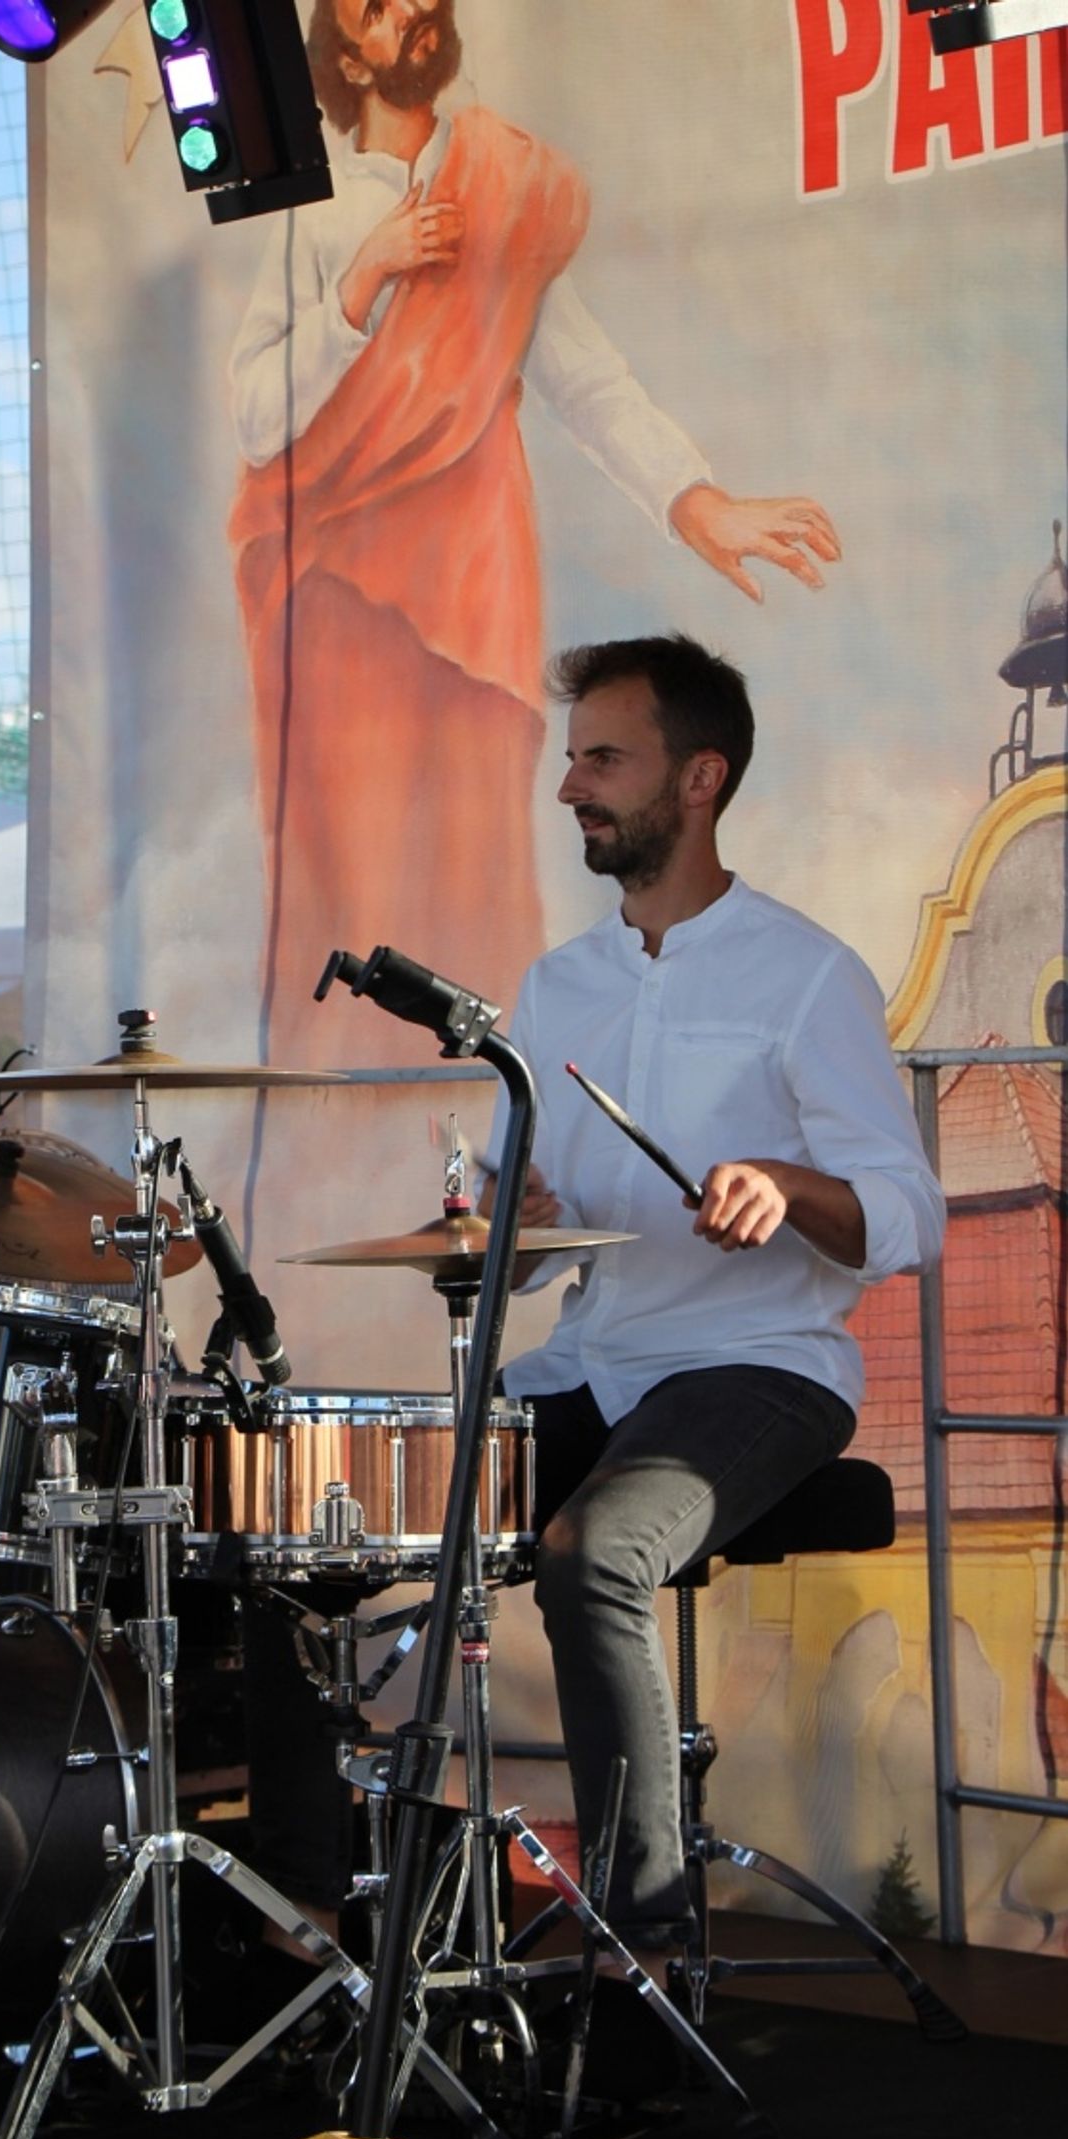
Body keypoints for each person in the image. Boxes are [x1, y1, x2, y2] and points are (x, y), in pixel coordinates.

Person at [229, 0, 841, 1059]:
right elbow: (254, 417)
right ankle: (356, 1114)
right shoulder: (312, 219)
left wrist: (696, 501)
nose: (414, 10)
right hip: (344, 593)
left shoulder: (507, 188)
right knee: (354, 864)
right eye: (379, 7)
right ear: (348, 60)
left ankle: (480, 1108)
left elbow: (587, 382)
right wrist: (367, 274)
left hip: (473, 578)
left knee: (475, 858)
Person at [483, 634, 945, 1955]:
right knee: (312, 1513)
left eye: (603, 759)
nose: (570, 785)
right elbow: (525, 1243)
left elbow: (909, 1213)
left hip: (760, 1365)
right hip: (590, 1361)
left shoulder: (807, 973)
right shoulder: (554, 987)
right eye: (571, 758)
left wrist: (787, 1185)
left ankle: (639, 1946)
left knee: (593, 1554)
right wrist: (514, 1228)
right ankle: (304, 1914)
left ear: (699, 778)